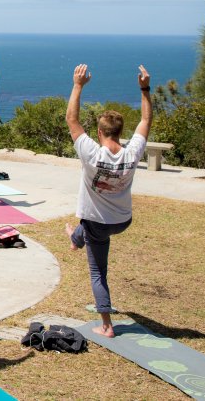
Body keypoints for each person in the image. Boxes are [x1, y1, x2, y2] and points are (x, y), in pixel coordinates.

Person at [64, 63, 152, 338]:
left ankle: (106, 325)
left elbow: (71, 119)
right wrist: (145, 88)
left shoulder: (92, 153)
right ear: (119, 132)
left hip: (98, 224)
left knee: (98, 272)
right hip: (122, 221)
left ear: (100, 133)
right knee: (84, 230)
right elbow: (146, 121)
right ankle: (76, 237)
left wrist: (78, 85)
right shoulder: (132, 153)